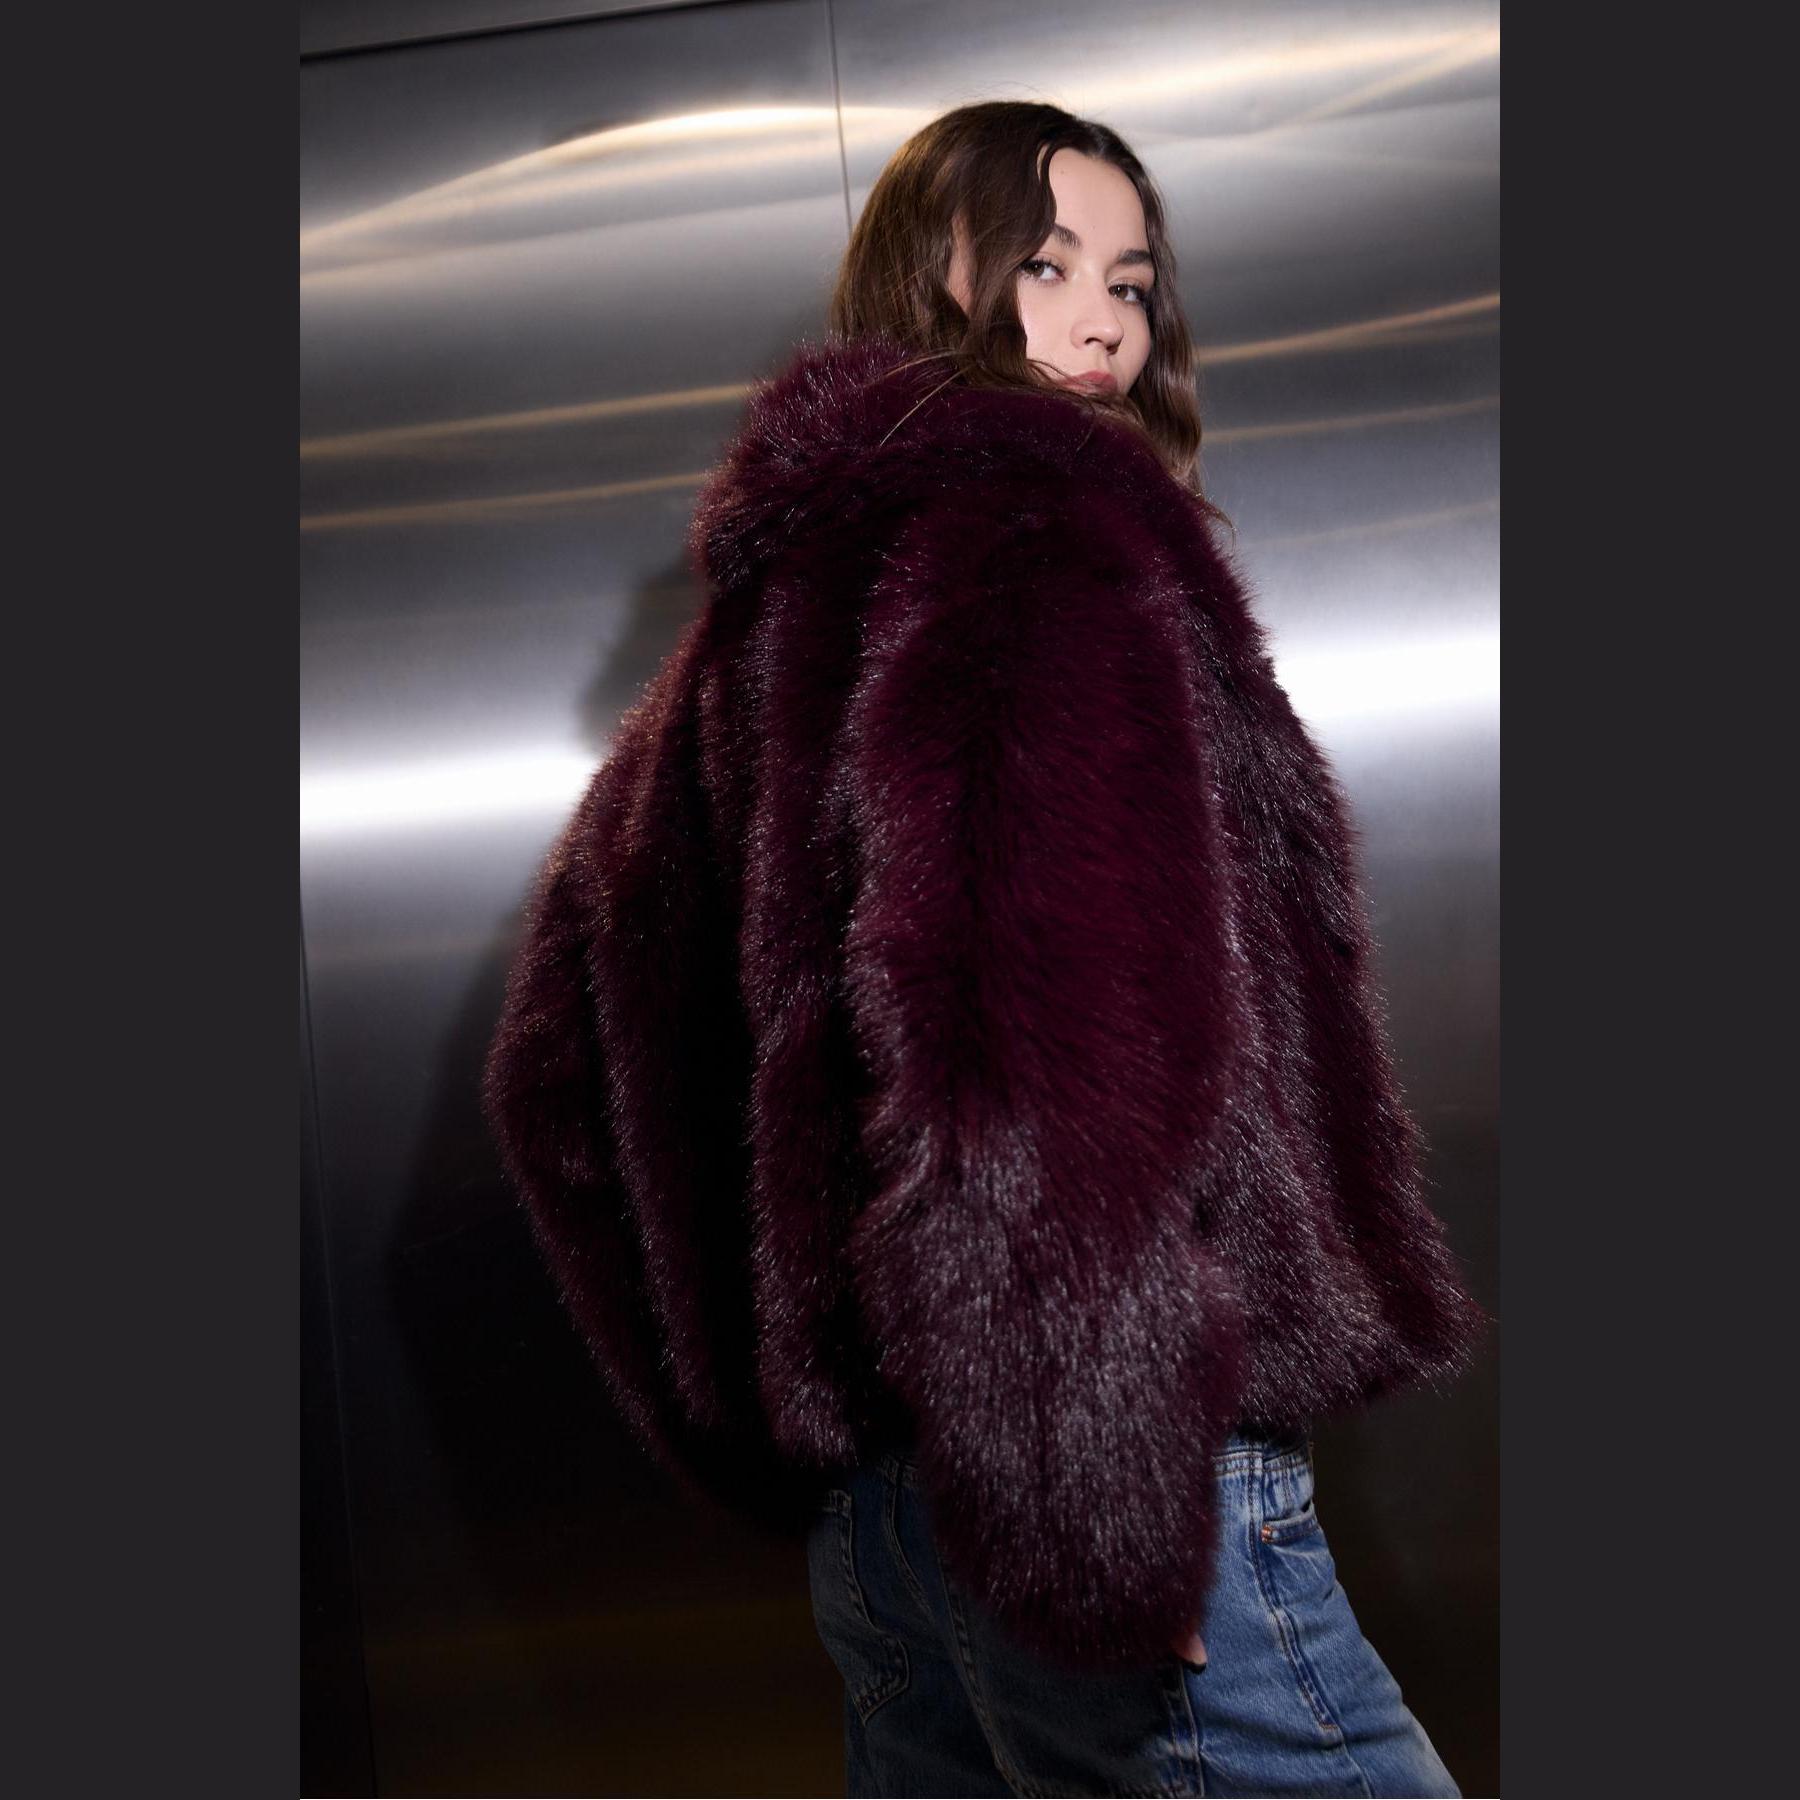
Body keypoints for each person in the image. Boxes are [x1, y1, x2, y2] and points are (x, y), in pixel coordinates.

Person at [485, 99, 1490, 1799]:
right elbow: (1037, 1076)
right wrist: (1097, 1516)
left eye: (1132, 282)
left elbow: (564, 1085)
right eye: (1045, 264)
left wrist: (792, 1431)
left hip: (892, 1530)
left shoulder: (751, 631)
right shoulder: (1037, 549)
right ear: (930, 276)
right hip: (1106, 1507)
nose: (1101, 322)